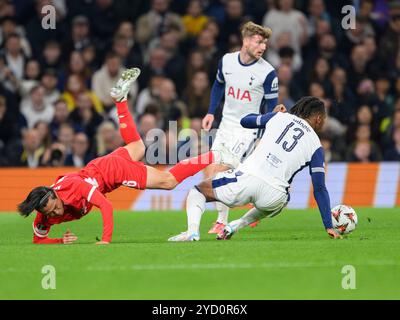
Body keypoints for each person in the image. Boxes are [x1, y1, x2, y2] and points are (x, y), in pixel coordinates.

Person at [17, 68, 224, 245]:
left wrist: (105, 240)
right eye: (52, 213)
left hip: (111, 171)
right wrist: (60, 241)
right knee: (138, 146)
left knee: (168, 182)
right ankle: (121, 101)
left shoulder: (73, 188)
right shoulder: (45, 214)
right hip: (100, 165)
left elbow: (105, 206)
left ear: (55, 195)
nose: (56, 213)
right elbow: (39, 240)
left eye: (55, 207)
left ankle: (215, 154)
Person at [169, 96, 341, 241]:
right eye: (324, 120)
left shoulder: (279, 117)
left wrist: (271, 114)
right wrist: (328, 225)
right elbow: (319, 188)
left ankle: (192, 232)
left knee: (197, 191)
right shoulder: (317, 146)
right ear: (318, 118)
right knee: (284, 196)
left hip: (247, 180)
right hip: (274, 197)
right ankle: (236, 225)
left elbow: (245, 121)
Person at [201, 21, 279, 234]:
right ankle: (244, 212)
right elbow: (218, 84)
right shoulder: (227, 61)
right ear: (245, 41)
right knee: (213, 173)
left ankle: (221, 221)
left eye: (265, 43)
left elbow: (272, 108)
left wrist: (265, 136)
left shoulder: (268, 72)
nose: (262, 47)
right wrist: (210, 112)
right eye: (258, 41)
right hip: (225, 126)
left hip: (248, 130)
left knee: (221, 172)